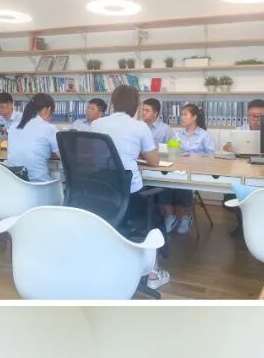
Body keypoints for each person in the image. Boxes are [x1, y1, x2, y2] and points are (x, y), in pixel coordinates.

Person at [91, 84, 169, 290]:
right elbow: (154, 161)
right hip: (128, 196)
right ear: (136, 106)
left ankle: (107, 262)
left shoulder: (96, 124)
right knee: (155, 217)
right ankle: (153, 273)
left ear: (112, 103)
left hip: (100, 195)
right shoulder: (140, 127)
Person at [160, 103, 214, 235]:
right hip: (178, 171)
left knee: (184, 185)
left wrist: (194, 157)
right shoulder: (178, 134)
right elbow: (170, 153)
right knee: (164, 185)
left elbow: (211, 157)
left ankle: (186, 217)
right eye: (182, 115)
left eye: (185, 114)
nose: (182, 117)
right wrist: (174, 153)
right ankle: (170, 217)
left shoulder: (205, 135)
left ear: (194, 117)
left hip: (196, 173)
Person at [5, 92, 59, 182]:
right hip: (39, 185)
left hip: (15, 184)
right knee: (61, 182)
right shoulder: (49, 128)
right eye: (51, 113)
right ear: (47, 110)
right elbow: (64, 156)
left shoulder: (13, 127)